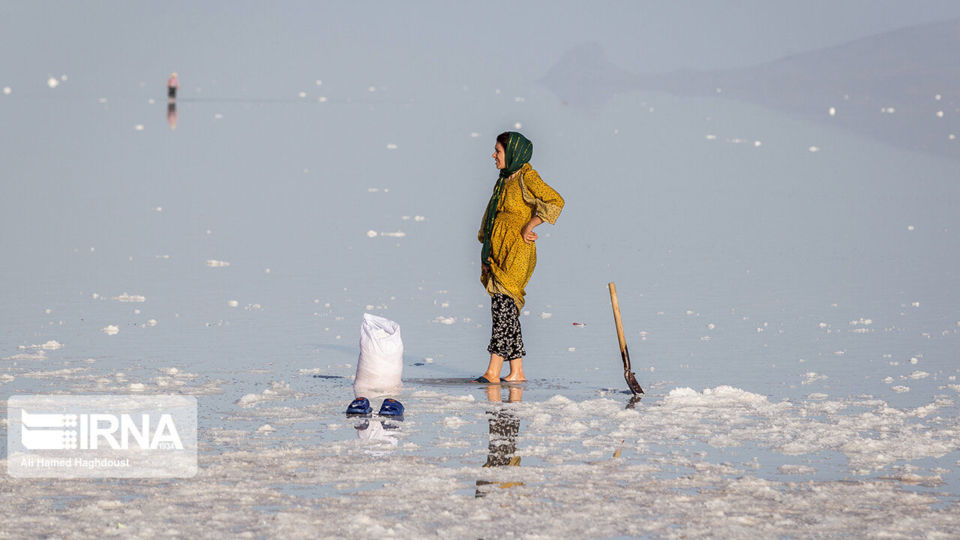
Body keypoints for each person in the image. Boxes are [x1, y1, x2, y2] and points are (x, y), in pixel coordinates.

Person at [475, 131, 564, 383]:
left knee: (503, 307)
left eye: (498, 151)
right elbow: (491, 213)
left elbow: (555, 201)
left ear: (512, 153)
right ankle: (517, 372)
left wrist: (531, 225)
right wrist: (486, 245)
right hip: (499, 249)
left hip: (517, 250)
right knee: (506, 309)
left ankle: (493, 371)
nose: (494, 155)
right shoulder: (504, 178)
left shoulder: (527, 176)